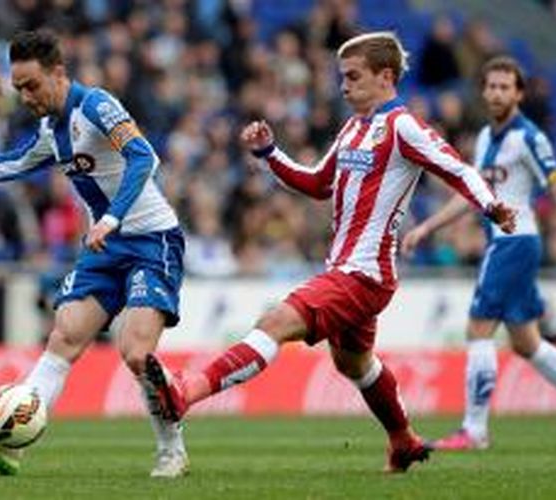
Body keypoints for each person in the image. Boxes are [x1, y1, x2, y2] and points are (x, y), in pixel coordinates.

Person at [144, 32, 517, 473]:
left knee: (276, 322)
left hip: (364, 274)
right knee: (355, 364)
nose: (343, 86)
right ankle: (402, 439)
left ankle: (187, 390)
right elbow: (318, 183)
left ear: (385, 76)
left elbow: (459, 169)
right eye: (342, 77)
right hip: (348, 269)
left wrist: (491, 206)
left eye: (353, 76)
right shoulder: (354, 127)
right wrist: (270, 153)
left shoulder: (403, 126)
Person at [0, 30, 188, 478]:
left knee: (136, 353)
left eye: (31, 85)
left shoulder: (96, 106)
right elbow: (10, 164)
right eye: (17, 88)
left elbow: (144, 158)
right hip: (104, 245)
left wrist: (113, 217)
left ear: (59, 73)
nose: (24, 96)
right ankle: (12, 440)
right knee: (64, 336)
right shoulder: (49, 132)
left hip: (151, 240)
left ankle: (171, 449)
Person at [402, 56, 556, 451]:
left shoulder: (530, 138)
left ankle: (474, 429)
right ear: (483, 91)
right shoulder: (487, 137)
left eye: (506, 86)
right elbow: (473, 196)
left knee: (478, 329)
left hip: (514, 242)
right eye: (491, 86)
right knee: (526, 343)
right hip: (506, 244)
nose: (497, 93)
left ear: (519, 93)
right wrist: (427, 226)